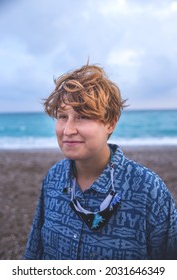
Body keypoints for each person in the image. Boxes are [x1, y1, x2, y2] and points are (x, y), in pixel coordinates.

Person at [24, 64, 177, 260]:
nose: (68, 130)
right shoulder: (54, 177)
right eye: (63, 117)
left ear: (111, 122)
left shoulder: (148, 189)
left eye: (82, 117)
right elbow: (35, 252)